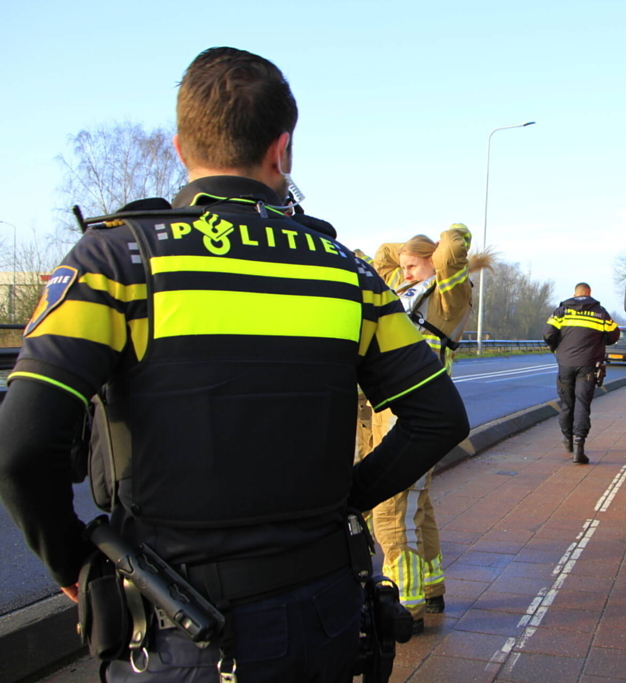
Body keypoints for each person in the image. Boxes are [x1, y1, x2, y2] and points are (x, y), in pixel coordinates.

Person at [0, 47, 469, 682]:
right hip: (325, 615)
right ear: (282, 150)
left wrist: (72, 563)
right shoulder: (345, 274)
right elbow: (437, 417)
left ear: (178, 147)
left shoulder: (116, 261)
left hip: (176, 626)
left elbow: (23, 446)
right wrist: (345, 503)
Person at [360, 226, 490, 632]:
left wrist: (434, 253)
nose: (406, 274)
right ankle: (431, 588)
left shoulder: (448, 297)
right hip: (387, 409)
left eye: (413, 267)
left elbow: (453, 245)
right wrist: (408, 256)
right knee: (417, 506)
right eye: (403, 269)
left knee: (391, 512)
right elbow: (380, 254)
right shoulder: (401, 288)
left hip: (412, 412)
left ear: (434, 264)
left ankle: (406, 607)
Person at [542, 283, 620, 464]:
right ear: (589, 293)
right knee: (582, 405)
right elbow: (614, 335)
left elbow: (547, 333)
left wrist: (556, 348)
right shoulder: (601, 313)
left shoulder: (561, 312)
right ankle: (579, 447)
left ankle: (568, 440)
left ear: (574, 294)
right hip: (588, 365)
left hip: (565, 365)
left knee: (567, 404)